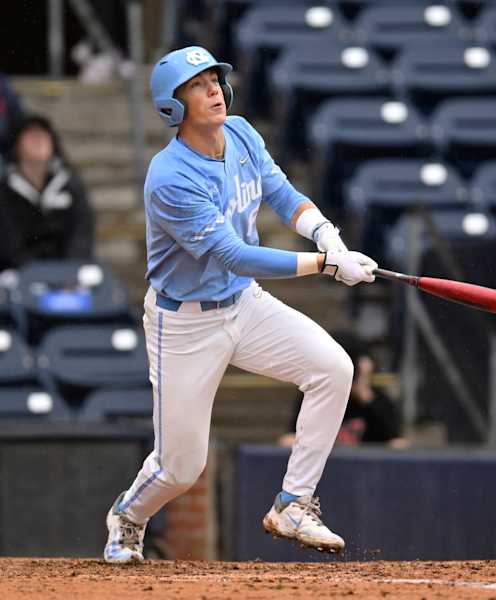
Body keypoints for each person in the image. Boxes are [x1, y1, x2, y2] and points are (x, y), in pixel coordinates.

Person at [103, 46, 379, 563]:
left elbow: (279, 191)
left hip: (243, 306)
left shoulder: (243, 134)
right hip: (182, 323)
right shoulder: (170, 177)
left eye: (214, 80)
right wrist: (322, 265)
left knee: (333, 369)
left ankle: (293, 504)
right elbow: (233, 254)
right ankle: (129, 515)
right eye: (198, 85)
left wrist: (327, 235)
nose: (213, 90)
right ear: (173, 105)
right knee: (181, 468)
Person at [279, 331, 406, 449]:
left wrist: (364, 394)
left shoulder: (377, 400)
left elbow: (397, 443)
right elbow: (289, 439)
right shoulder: (313, 396)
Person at [0, 115, 94, 270]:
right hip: (17, 276)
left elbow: (82, 233)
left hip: (69, 276)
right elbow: (8, 243)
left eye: (43, 134)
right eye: (31, 135)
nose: (38, 139)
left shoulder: (70, 185)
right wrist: (33, 272)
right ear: (16, 145)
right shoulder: (5, 190)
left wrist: (70, 270)